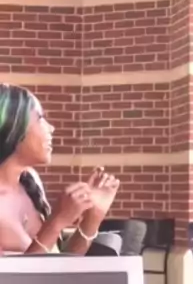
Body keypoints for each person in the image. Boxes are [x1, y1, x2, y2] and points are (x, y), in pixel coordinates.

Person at [0, 83, 120, 255]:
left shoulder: (29, 182)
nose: (51, 128)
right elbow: (26, 272)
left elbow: (61, 266)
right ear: (11, 127)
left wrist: (93, 217)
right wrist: (56, 221)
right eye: (40, 119)